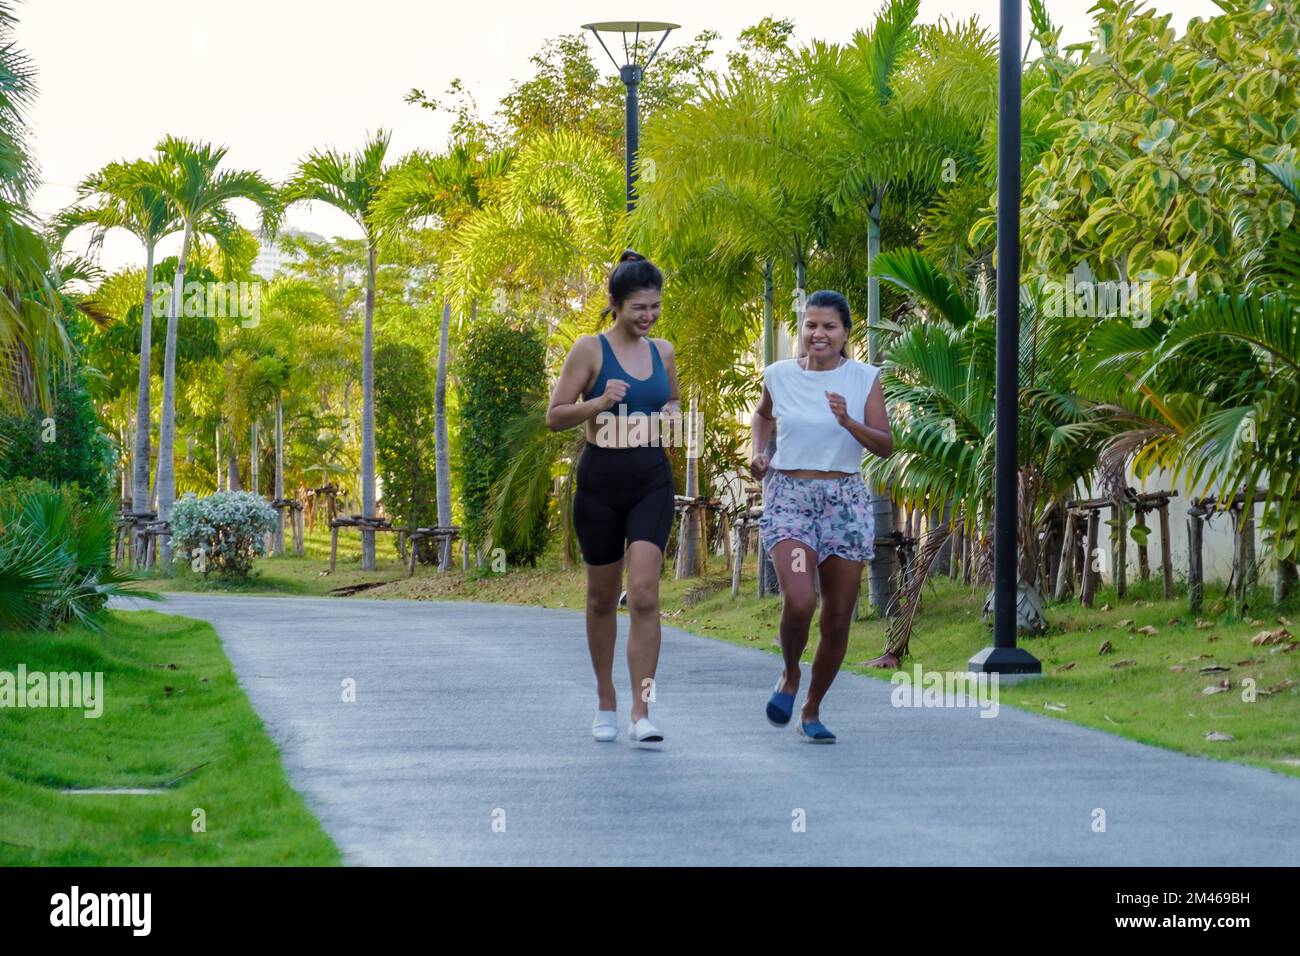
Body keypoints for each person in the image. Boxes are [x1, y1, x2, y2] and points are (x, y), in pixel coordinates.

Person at [545, 250, 681, 747]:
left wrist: (670, 417)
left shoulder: (662, 351)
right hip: (600, 481)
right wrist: (599, 402)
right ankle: (606, 698)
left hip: (650, 479)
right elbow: (555, 415)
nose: (648, 317)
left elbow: (671, 400)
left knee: (644, 594)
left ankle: (642, 710)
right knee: (602, 598)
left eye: (655, 307)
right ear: (615, 305)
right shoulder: (590, 350)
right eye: (639, 308)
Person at [749, 290, 893, 743]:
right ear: (802, 329)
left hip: (844, 501)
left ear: (845, 334)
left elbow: (885, 445)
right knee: (800, 600)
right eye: (811, 325)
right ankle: (790, 674)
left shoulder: (863, 377)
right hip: (790, 497)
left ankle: (812, 709)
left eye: (829, 326)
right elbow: (762, 416)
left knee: (836, 618)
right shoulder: (778, 375)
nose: (819, 334)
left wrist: (849, 421)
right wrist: (757, 453)